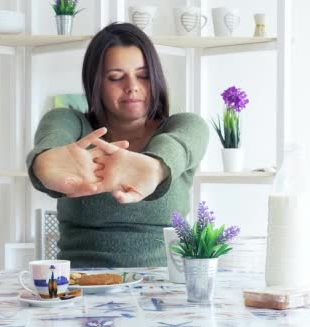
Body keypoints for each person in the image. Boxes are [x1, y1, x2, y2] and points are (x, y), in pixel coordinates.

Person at [26, 23, 209, 267]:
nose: (132, 86)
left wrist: (155, 168)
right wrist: (45, 164)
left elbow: (176, 145)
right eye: (116, 77)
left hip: (165, 288)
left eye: (143, 75)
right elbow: (52, 140)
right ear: (96, 83)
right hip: (83, 287)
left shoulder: (185, 126)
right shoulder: (70, 122)